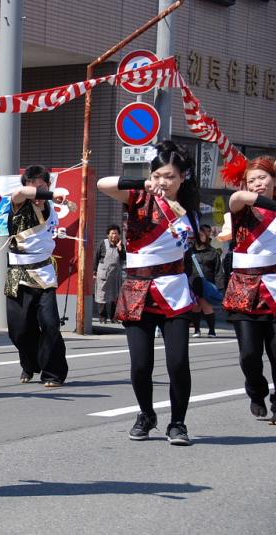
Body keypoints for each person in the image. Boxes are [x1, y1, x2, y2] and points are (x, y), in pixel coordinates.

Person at [97, 140, 199, 446]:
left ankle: (178, 423)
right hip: (138, 290)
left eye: (169, 176)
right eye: (157, 176)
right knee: (141, 365)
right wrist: (143, 183)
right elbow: (103, 183)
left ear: (183, 177)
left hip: (174, 291)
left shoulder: (190, 210)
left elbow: (189, 248)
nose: (163, 182)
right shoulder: (138, 197)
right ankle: (146, 414)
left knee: (177, 363)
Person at [220, 155, 276, 421]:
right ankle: (256, 390)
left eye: (263, 178)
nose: (257, 184)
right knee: (249, 354)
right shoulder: (240, 206)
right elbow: (238, 197)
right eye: (252, 180)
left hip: (274, 287)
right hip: (244, 289)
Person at [5, 165, 70, 387]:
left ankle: (53, 373)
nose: (37, 193)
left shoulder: (51, 207)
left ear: (48, 185)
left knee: (50, 325)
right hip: (18, 274)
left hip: (44, 273)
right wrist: (48, 194)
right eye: (32, 188)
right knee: (19, 331)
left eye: (41, 188)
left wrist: (52, 198)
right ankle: (30, 363)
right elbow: (20, 192)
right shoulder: (19, 203)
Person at [186, 224, 224, 337]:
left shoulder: (213, 252)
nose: (200, 237)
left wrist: (220, 287)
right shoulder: (189, 252)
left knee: (207, 306)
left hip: (207, 283)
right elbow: (185, 268)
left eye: (202, 235)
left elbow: (218, 271)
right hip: (193, 283)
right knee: (195, 307)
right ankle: (197, 330)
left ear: (206, 236)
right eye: (198, 235)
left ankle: (212, 330)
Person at [94, 224, 125, 324]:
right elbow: (96, 257)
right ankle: (102, 317)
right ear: (108, 235)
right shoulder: (102, 243)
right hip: (103, 273)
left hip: (115, 275)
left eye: (116, 233)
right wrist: (94, 271)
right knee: (102, 295)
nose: (114, 235)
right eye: (112, 233)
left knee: (115, 296)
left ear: (119, 235)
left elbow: (124, 258)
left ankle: (113, 317)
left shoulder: (121, 244)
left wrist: (120, 249)